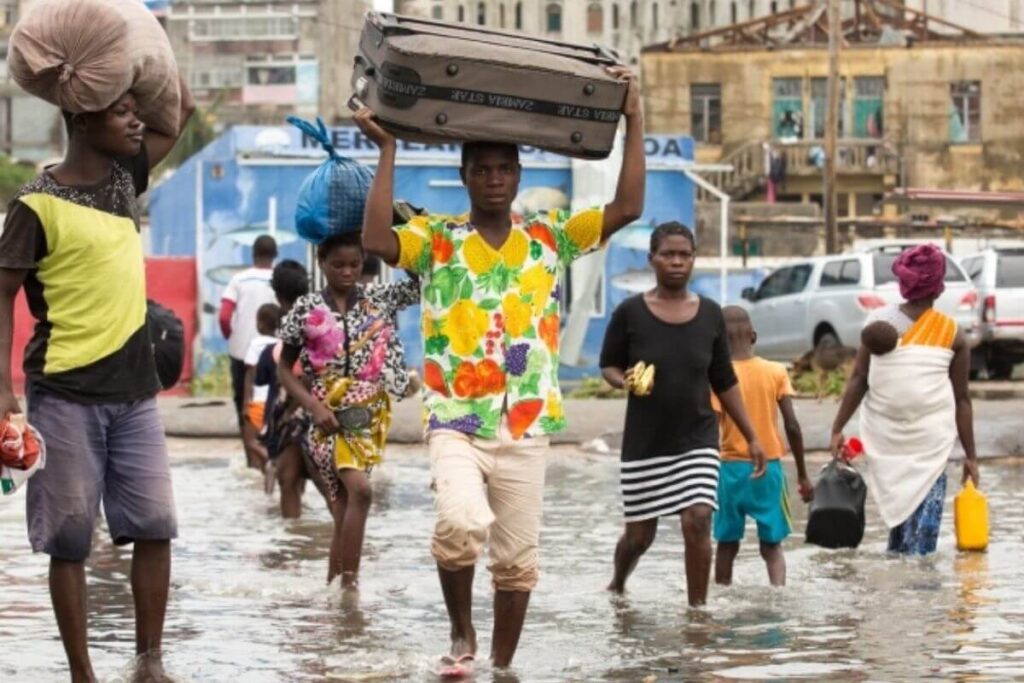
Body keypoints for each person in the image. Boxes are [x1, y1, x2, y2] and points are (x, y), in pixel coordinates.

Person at [356, 64, 645, 670]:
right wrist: (387, 150)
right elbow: (377, 242)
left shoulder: (551, 236)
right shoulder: (437, 239)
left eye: (504, 169)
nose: (494, 179)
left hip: (527, 421)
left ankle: (500, 665)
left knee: (517, 560)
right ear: (463, 176)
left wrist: (632, 115)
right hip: (455, 417)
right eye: (482, 170)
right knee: (461, 522)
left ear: (518, 175)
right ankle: (462, 634)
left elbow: (627, 206)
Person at [0, 82, 194, 681]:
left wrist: (134, 58)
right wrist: (4, 394)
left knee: (155, 526)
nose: (138, 123)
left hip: (135, 394)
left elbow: (179, 110)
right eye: (122, 113)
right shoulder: (34, 204)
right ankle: (82, 673)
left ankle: (149, 662)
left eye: (135, 112)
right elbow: (2, 294)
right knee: (70, 538)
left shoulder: (123, 181)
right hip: (64, 394)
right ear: (83, 121)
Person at [600, 223, 767, 607]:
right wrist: (622, 380)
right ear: (652, 260)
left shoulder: (710, 314)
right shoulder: (630, 313)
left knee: (698, 518)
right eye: (668, 254)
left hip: (698, 437)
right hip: (645, 443)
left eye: (684, 255)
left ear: (693, 260)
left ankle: (697, 612)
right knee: (640, 537)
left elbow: (724, 380)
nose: (676, 262)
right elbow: (608, 364)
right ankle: (618, 583)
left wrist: (753, 435)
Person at [277, 232, 419, 587]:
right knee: (361, 492)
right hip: (326, 416)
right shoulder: (307, 309)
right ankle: (351, 587)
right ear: (321, 263)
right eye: (338, 264)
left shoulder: (378, 299)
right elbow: (284, 366)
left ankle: (335, 593)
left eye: (355, 264)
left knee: (342, 506)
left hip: (370, 418)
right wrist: (311, 405)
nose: (347, 271)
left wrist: (398, 236)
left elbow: (420, 284)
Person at [830, 244, 979, 555]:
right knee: (921, 550)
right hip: (931, 448)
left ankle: (900, 598)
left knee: (899, 541)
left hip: (887, 443)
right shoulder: (953, 333)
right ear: (938, 287)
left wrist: (837, 427)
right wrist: (971, 456)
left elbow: (859, 379)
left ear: (903, 283)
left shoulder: (878, 324)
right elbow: (962, 400)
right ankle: (918, 600)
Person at [712, 306, 812, 588]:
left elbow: (710, 429)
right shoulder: (775, 371)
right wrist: (803, 474)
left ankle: (721, 597)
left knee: (727, 545)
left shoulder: (717, 378)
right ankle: (778, 595)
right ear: (753, 336)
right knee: (772, 547)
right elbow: (792, 426)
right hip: (768, 468)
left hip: (729, 470)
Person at [220, 235, 278, 428]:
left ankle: (248, 437)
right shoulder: (278, 279)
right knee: (272, 395)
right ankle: (267, 435)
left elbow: (224, 315)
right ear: (275, 255)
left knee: (242, 397)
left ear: (253, 254)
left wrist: (231, 336)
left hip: (241, 351)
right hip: (273, 351)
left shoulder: (238, 280)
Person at [241, 302, 281, 472]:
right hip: (274, 402)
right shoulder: (280, 344)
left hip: (257, 401)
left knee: (251, 442)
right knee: (270, 440)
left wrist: (245, 403)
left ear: (260, 324)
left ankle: (272, 464)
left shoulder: (256, 344)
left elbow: (250, 375)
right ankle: (268, 480)